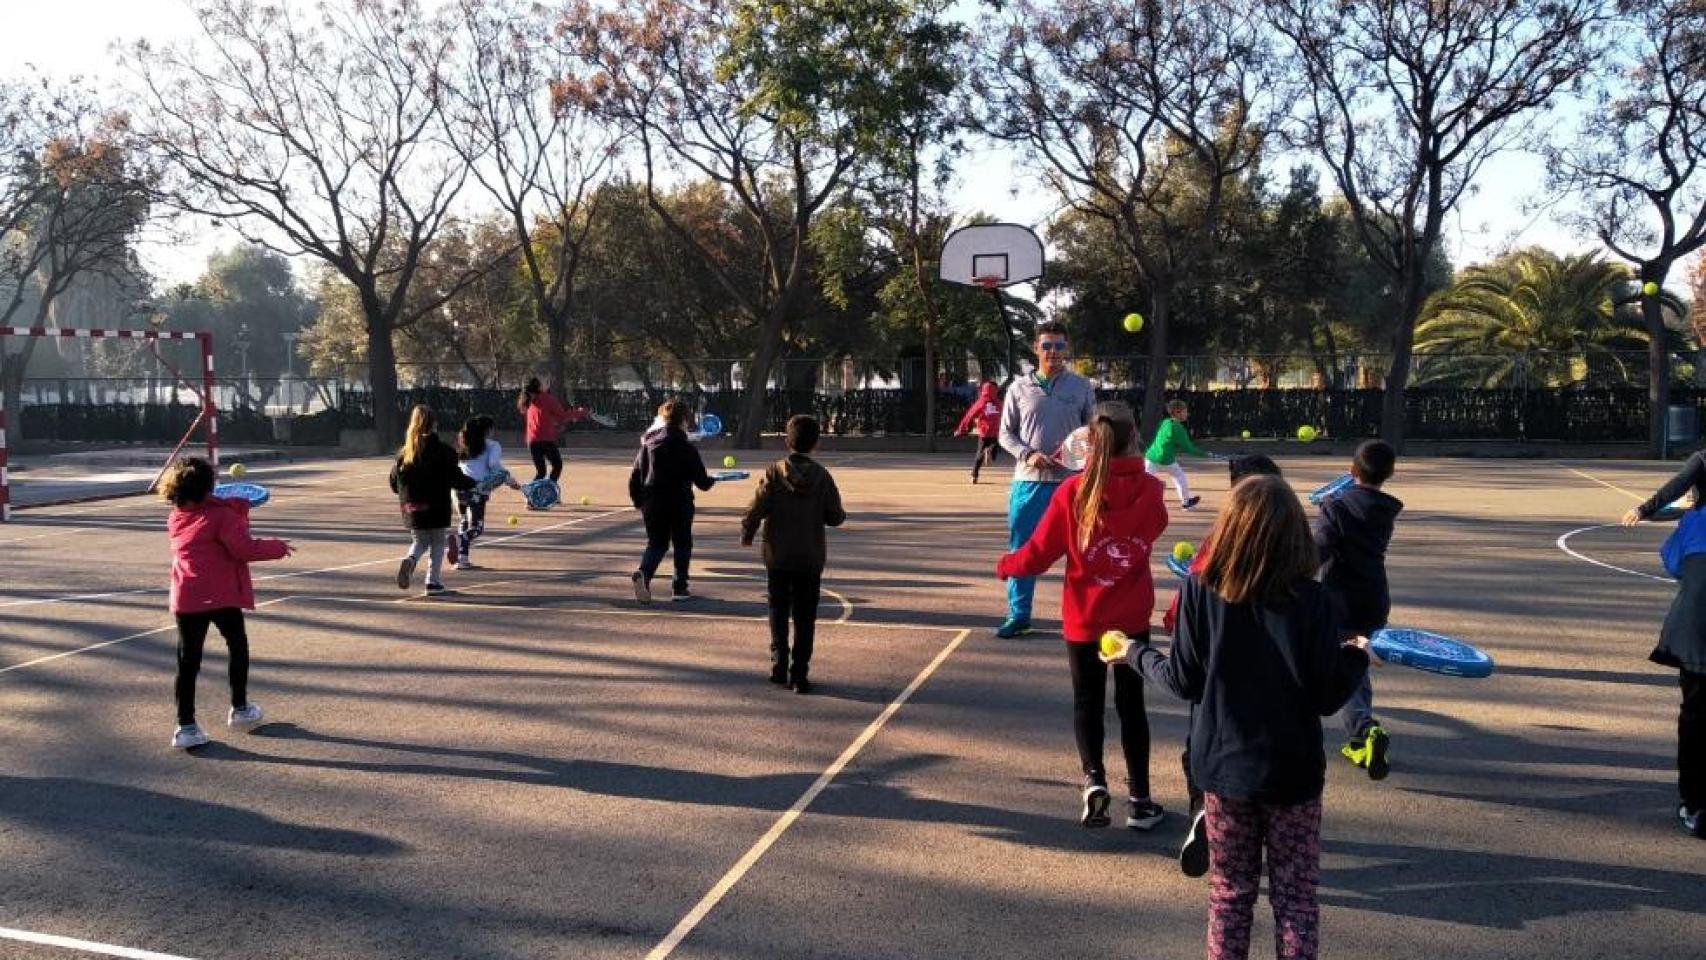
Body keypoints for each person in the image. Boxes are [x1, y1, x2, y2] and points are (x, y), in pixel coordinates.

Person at [1114, 475, 1370, 960]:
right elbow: (1326, 695)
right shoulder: (1313, 600)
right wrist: (1357, 656)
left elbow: (1182, 680)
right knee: (1296, 900)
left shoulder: (1201, 592)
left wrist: (1134, 653)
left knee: (1230, 895)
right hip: (1292, 770)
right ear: (1295, 534)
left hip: (1224, 768)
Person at [997, 401, 1169, 829]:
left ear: (1088, 445)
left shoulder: (1073, 493)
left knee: (1087, 702)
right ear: (1134, 440)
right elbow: (1155, 528)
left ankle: (1094, 781)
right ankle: (1141, 800)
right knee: (1132, 706)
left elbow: (1037, 556)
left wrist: (1007, 564)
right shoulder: (1151, 491)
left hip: (1084, 618)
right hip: (1130, 618)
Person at [1163, 452, 1284, 877]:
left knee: (1201, 752)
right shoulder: (1295, 553)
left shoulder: (1214, 549)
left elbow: (1182, 616)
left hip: (1216, 687)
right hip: (1277, 705)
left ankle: (1203, 810)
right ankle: (1256, 827)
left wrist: (1143, 648)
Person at [161, 456, 293, 749]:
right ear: (208, 487)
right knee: (237, 645)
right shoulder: (221, 515)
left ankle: (185, 726)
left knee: (188, 661)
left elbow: (223, 538)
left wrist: (234, 511)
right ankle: (240, 707)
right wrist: (277, 546)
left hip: (187, 596)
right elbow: (242, 547)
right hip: (220, 595)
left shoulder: (176, 516)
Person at [1622, 451, 1706, 838]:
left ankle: (1694, 803)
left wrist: (1650, 509)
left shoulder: (1692, 524)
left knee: (1694, 718)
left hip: (1695, 632)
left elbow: (1672, 564)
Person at [995, 320, 1097, 638]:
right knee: (1022, 548)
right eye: (1047, 345)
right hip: (1029, 483)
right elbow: (1004, 434)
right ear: (1036, 348)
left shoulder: (1081, 387)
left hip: (1074, 484)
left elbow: (1094, 431)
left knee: (1082, 552)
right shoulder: (1018, 388)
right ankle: (1019, 614)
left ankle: (1081, 615)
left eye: (1060, 346)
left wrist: (1079, 455)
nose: (1053, 352)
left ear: (1067, 350)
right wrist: (1028, 455)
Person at [1314, 439, 1403, 780]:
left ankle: (1364, 730)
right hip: (1374, 595)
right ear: (1390, 474)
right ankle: (1362, 729)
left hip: (1341, 599)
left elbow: (1321, 548)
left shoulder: (1338, 507)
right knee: (1356, 659)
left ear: (1352, 471)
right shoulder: (1383, 510)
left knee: (1346, 663)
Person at [741, 414, 847, 694]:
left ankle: (778, 665)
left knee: (777, 608)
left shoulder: (774, 472)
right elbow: (836, 517)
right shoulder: (822, 476)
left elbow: (756, 508)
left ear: (787, 441)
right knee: (805, 615)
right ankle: (799, 673)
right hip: (809, 556)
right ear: (816, 444)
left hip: (778, 554)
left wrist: (748, 533)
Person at [629, 398, 715, 604]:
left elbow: (634, 476)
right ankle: (680, 587)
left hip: (652, 501)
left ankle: (644, 573)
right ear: (684, 420)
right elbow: (702, 482)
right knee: (682, 543)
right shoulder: (687, 448)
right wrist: (713, 480)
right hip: (679, 501)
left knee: (657, 543)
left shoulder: (648, 445)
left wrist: (638, 500)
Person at [391, 405, 476, 594]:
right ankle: (432, 582)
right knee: (438, 542)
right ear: (435, 424)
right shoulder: (444, 451)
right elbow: (456, 479)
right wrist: (473, 483)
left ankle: (411, 559)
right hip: (436, 505)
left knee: (420, 541)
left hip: (411, 505)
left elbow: (393, 483)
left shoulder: (404, 453)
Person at [454, 415, 521, 570]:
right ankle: (460, 541)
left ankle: (462, 559)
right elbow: (494, 465)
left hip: (460, 488)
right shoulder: (493, 445)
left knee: (464, 521)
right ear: (488, 430)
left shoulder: (466, 443)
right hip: (477, 490)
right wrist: (510, 481)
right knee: (476, 528)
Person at [1145, 399, 1207, 510]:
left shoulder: (1165, 422)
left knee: (1143, 481)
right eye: (1185, 411)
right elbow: (1189, 448)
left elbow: (1161, 437)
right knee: (1179, 476)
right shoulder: (1178, 428)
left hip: (1151, 457)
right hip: (1166, 459)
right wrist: (1205, 454)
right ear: (1177, 412)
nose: (1187, 414)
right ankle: (1186, 502)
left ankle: (1136, 503)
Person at [518, 376, 569, 486]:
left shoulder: (528, 401)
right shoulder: (547, 398)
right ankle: (549, 491)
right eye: (544, 382)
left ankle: (531, 496)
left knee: (541, 472)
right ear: (539, 387)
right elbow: (563, 415)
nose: (547, 383)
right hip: (545, 440)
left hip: (532, 441)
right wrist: (581, 413)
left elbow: (540, 421)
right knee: (557, 465)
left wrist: (555, 426)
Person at [954, 381, 1004, 483]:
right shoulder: (989, 403)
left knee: (984, 454)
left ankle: (975, 473)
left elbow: (969, 416)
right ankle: (976, 471)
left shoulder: (993, 402)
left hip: (990, 432)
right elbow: (969, 416)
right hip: (989, 432)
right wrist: (961, 429)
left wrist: (961, 429)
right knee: (988, 453)